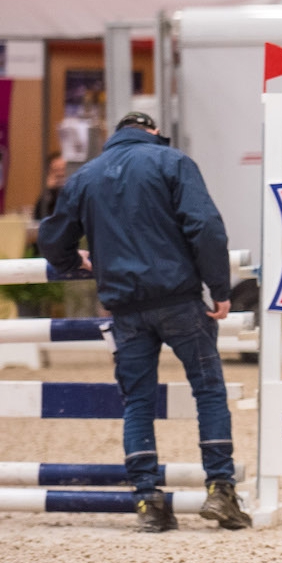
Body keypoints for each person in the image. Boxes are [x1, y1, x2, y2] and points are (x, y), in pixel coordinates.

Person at [37, 111, 249, 533]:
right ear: (152, 132)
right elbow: (205, 226)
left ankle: (148, 501)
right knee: (208, 391)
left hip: (125, 309)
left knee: (137, 402)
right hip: (179, 300)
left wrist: (69, 261)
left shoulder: (85, 176)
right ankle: (220, 491)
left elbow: (52, 236)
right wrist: (220, 288)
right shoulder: (172, 162)